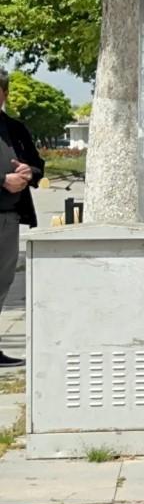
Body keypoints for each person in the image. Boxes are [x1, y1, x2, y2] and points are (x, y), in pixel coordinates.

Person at [0, 69, 46, 368]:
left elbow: (37, 163)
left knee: (2, 283)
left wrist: (30, 173)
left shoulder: (15, 128)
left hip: (9, 218)